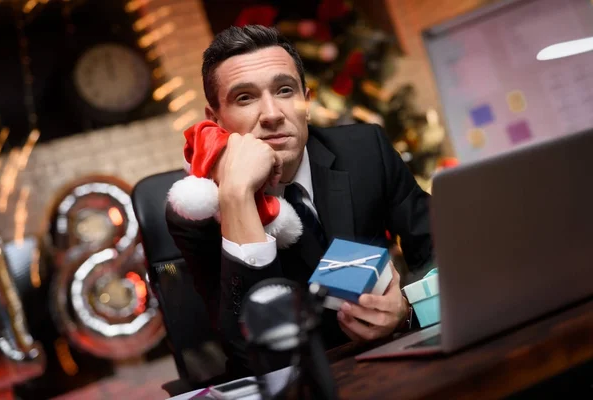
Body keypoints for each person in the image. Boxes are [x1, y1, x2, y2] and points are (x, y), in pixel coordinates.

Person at [166, 25, 433, 378]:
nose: (272, 113)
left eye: (285, 90)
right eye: (245, 97)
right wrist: (236, 196)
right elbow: (253, 354)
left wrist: (408, 308)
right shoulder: (196, 210)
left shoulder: (365, 150)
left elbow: (438, 246)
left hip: (391, 367)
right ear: (215, 120)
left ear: (306, 101)